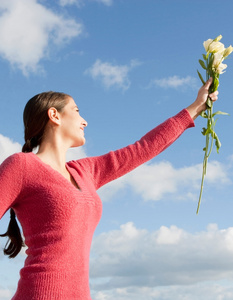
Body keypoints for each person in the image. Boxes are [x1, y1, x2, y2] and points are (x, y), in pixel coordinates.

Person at [0, 78, 218, 300]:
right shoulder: (22, 165)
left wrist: (195, 108)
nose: (84, 121)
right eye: (76, 111)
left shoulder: (86, 171)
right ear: (54, 115)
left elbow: (142, 149)